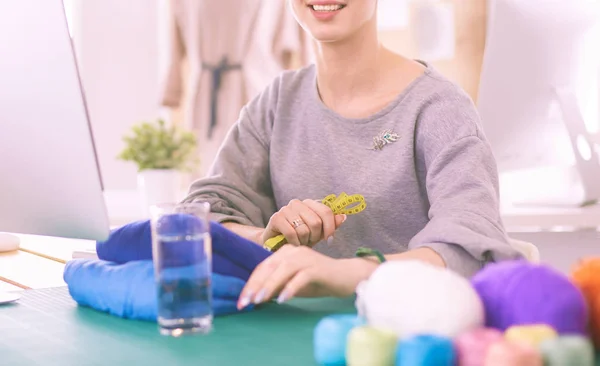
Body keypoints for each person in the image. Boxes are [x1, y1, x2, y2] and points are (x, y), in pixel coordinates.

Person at [182, 0, 522, 310]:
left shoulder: (439, 108)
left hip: (406, 333)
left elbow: (472, 245)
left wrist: (349, 273)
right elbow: (198, 216)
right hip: (291, 336)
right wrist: (264, 236)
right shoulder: (276, 102)